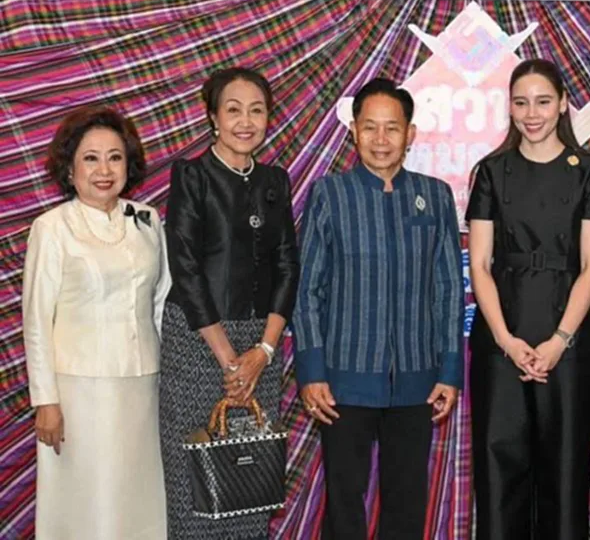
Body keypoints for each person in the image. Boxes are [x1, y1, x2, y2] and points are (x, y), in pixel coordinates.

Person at [292, 77, 464, 540]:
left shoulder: (435, 195)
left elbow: (449, 288)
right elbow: (307, 290)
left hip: (417, 380)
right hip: (342, 380)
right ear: (354, 132)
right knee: (344, 501)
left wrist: (449, 370)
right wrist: (312, 371)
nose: (381, 139)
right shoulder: (330, 194)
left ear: (411, 134)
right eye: (370, 127)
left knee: (407, 502)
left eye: (392, 127)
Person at [467, 58, 590, 539]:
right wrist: (506, 340)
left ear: (563, 104)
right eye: (521, 103)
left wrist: (560, 341)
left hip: (567, 344)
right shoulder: (492, 171)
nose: (532, 113)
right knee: (498, 473)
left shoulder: (588, 172)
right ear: (508, 107)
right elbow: (480, 265)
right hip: (500, 343)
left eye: (543, 101)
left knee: (564, 475)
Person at [159, 67, 300, 539]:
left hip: (260, 347)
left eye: (257, 111)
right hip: (197, 342)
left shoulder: (276, 180)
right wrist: (230, 363)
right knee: (195, 488)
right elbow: (185, 268)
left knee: (249, 480)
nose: (246, 121)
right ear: (213, 118)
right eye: (234, 110)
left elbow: (287, 266)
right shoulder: (192, 175)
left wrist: (263, 352)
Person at [23, 107, 169, 539]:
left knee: (136, 501)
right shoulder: (52, 228)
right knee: (88, 504)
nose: (104, 170)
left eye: (114, 157)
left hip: (142, 387)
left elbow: (161, 301)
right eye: (91, 158)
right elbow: (36, 320)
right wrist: (45, 401)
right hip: (77, 395)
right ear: (70, 169)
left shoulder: (147, 220)